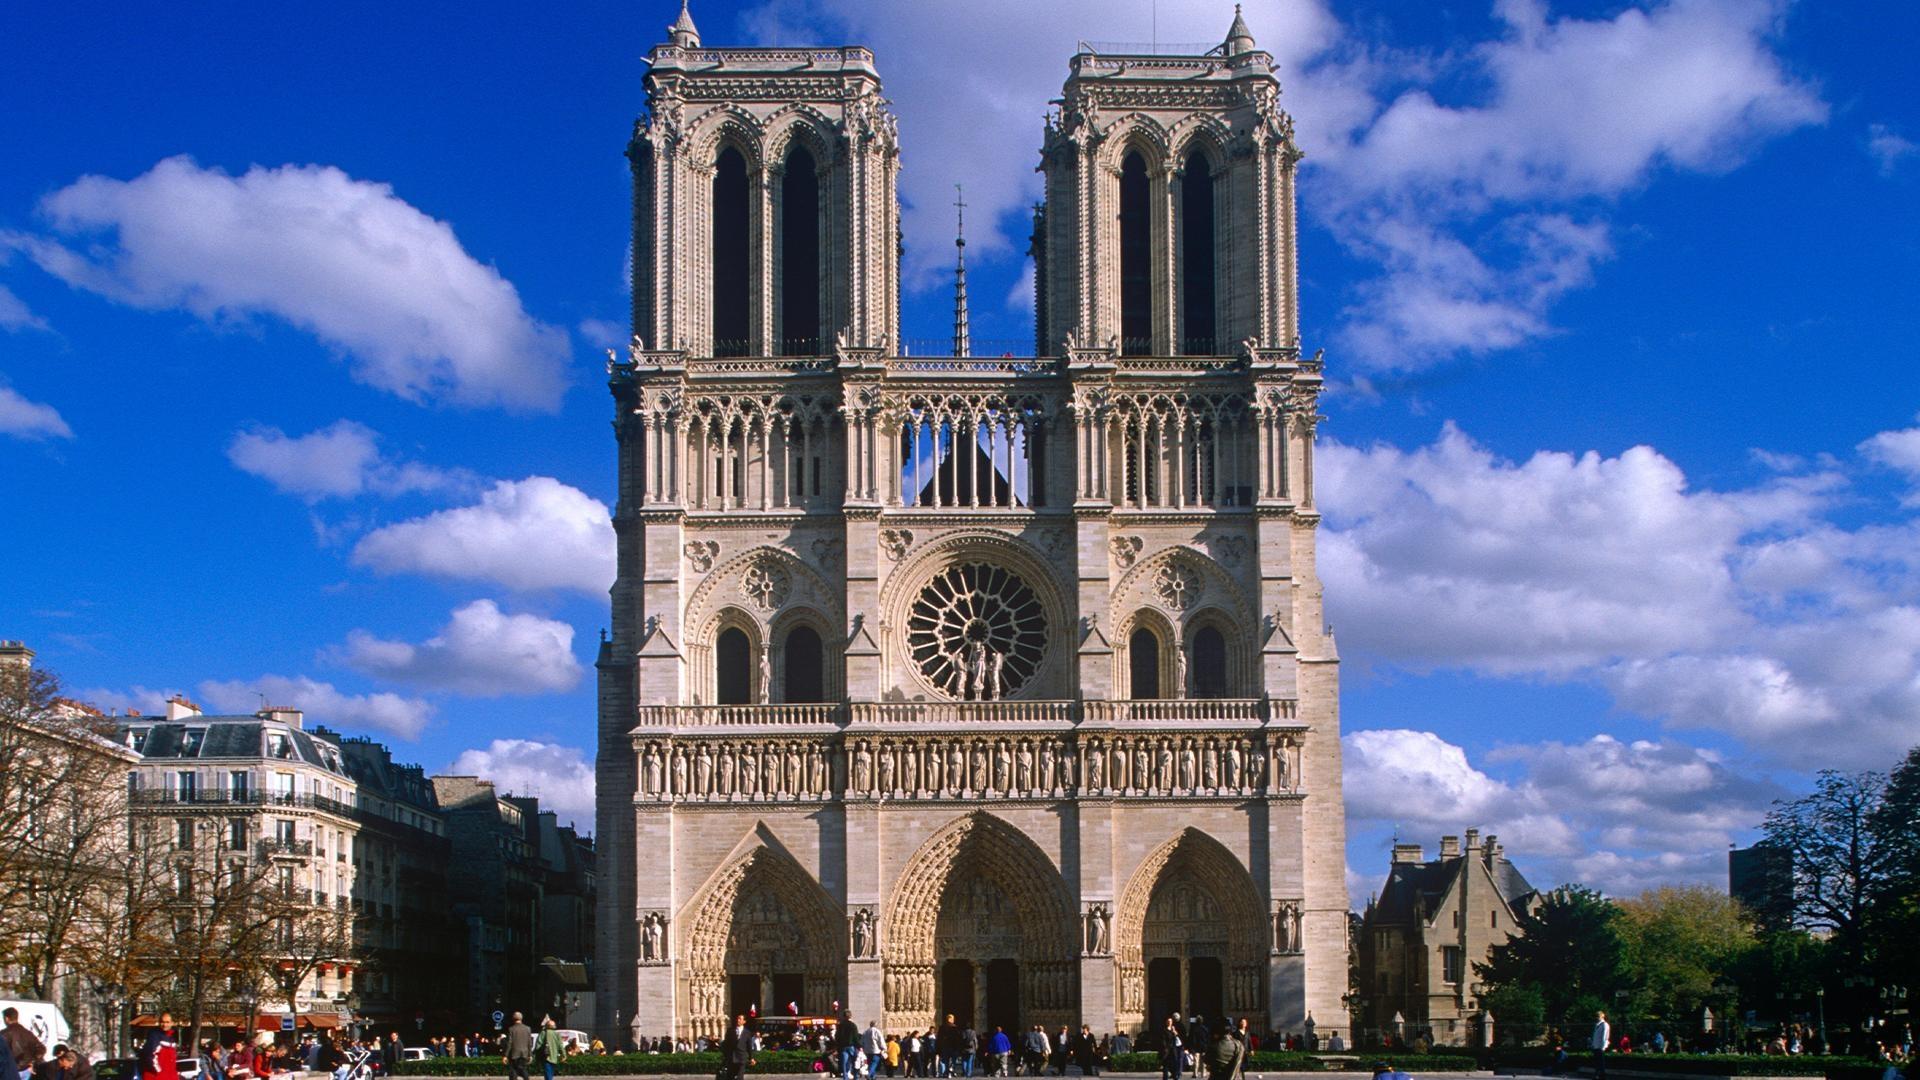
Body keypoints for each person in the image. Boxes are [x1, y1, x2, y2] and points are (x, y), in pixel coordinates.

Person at [139, 1014, 180, 1080]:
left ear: (172, 1023)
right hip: (157, 1077)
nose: (164, 1025)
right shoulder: (154, 1036)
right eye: (162, 1022)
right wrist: (159, 1071)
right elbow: (149, 1056)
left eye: (167, 1022)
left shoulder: (172, 1037)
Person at [504, 1013, 535, 1080]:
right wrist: (530, 1054)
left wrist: (505, 1055)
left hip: (514, 1054)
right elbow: (529, 1043)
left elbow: (509, 1043)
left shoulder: (511, 1029)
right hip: (524, 1053)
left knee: (513, 1071)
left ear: (513, 1019)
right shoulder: (528, 1029)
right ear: (521, 1018)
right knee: (523, 1069)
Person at [1591, 1011, 1611, 1080]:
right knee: (1597, 1062)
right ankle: (1598, 1075)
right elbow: (1594, 1036)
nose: (1597, 1018)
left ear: (1602, 1016)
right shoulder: (1597, 1025)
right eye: (1596, 1016)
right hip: (1595, 1046)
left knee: (1601, 1063)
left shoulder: (1604, 1025)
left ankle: (1602, 1076)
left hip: (1600, 1047)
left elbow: (1604, 1037)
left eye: (1598, 1016)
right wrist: (1593, 1044)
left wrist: (1602, 1047)